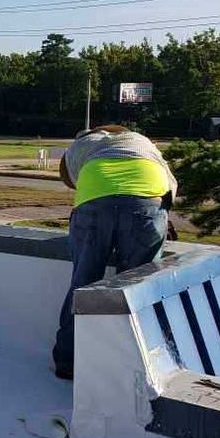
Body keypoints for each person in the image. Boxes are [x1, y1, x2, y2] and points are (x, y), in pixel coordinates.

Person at [53, 125, 177, 379]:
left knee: (83, 284)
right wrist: (160, 216)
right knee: (135, 287)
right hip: (147, 198)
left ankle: (68, 361)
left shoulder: (79, 145)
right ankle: (127, 365)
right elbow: (169, 183)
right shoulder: (142, 141)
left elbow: (70, 179)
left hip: (94, 200)